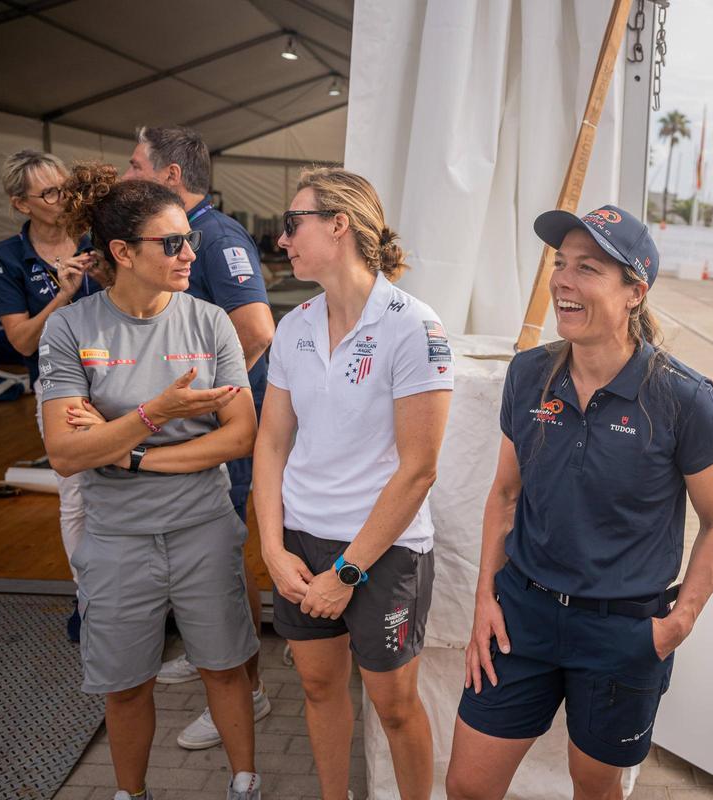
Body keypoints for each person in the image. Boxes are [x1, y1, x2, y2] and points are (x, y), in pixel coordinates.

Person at [446, 205, 713, 800]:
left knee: (595, 790)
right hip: (520, 617)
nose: (562, 280)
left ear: (636, 291)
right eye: (561, 263)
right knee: (468, 786)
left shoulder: (682, 397)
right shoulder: (529, 375)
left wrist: (678, 624)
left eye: (588, 268)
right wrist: (484, 600)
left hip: (622, 631)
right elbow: (504, 496)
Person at [38, 163, 261, 800]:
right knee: (125, 684)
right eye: (172, 244)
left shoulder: (210, 322)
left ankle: (244, 782)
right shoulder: (71, 329)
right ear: (122, 253)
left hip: (203, 531)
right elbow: (62, 452)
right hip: (116, 540)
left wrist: (125, 448)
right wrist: (156, 415)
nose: (190, 253)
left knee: (225, 668)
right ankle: (130, 794)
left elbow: (239, 436)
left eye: (188, 238)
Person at [255, 168, 452, 800]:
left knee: (393, 706)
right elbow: (271, 443)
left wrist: (347, 573)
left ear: (338, 225)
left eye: (293, 223)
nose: (283, 240)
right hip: (300, 540)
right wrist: (271, 548)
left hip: (382, 550)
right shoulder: (295, 324)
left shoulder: (413, 326)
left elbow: (419, 468)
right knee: (317, 687)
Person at [123, 125, 274, 748]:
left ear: (171, 177)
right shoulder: (187, 234)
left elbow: (258, 329)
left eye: (136, 165)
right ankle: (216, 656)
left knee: (219, 551)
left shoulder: (214, 235)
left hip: (221, 425)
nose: (126, 174)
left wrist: (206, 405)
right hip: (199, 420)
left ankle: (247, 688)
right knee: (202, 549)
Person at [0, 150, 102, 641]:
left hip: (123, 381)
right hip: (61, 393)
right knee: (76, 498)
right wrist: (63, 293)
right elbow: (22, 342)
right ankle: (91, 603)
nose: (65, 197)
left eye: (66, 185)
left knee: (133, 491)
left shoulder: (101, 236)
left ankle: (145, 600)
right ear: (21, 204)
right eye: (50, 192)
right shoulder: (6, 258)